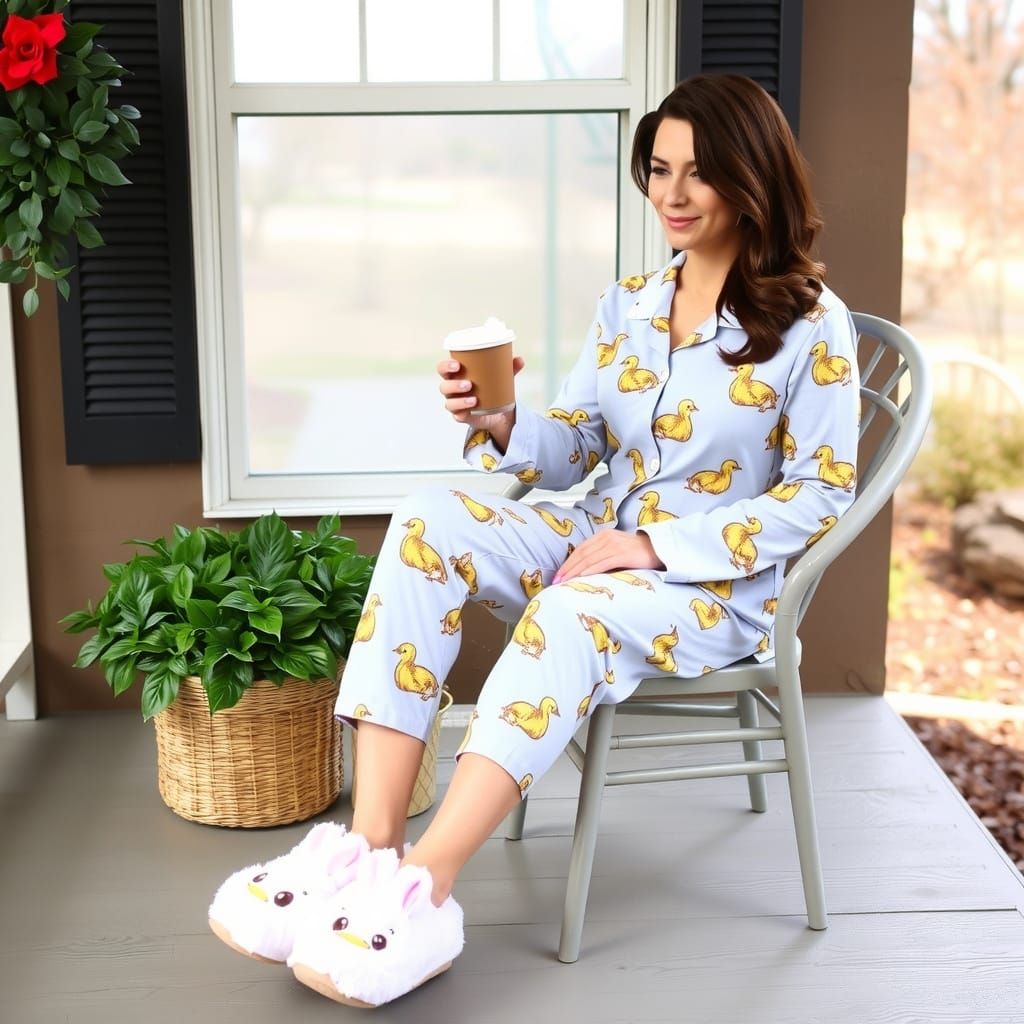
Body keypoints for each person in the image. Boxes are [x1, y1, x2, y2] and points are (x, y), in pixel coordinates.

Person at [208, 73, 861, 1008]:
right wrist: (509, 418)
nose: (669, 196)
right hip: (601, 531)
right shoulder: (630, 303)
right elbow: (581, 444)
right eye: (659, 170)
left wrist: (655, 548)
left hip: (717, 585)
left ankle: (423, 888)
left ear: (752, 178)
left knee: (568, 611)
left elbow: (818, 496)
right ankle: (369, 843)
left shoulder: (812, 328)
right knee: (431, 516)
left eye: (697, 175)